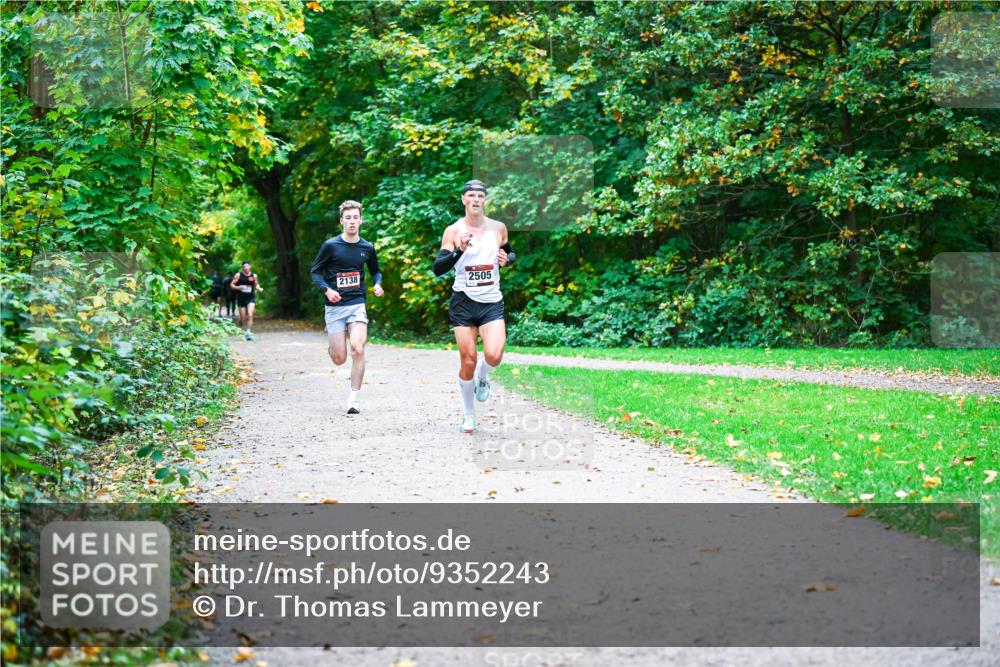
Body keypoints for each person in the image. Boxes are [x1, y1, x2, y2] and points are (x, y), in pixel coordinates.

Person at [433, 179, 516, 433]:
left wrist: (507, 259)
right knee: (467, 360)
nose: (476, 199)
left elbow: (510, 253)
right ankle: (469, 415)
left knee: (494, 355)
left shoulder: (498, 228)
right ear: (464, 200)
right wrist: (459, 250)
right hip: (463, 302)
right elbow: (438, 268)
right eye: (471, 195)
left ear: (485, 200)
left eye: (481, 195)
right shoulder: (453, 231)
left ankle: (483, 376)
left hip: (491, 301)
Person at [310, 200, 384, 415]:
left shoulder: (367, 247)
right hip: (334, 307)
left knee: (358, 348)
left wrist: (377, 284)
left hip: (356, 304)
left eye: (355, 218)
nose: (352, 222)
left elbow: (375, 271)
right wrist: (327, 290)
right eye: (348, 218)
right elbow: (315, 271)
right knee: (339, 358)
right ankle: (334, 346)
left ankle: (353, 399)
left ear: (361, 220)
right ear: (341, 220)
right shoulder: (330, 246)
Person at [230, 261, 263, 341]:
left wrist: (259, 288)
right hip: (241, 298)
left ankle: (248, 332)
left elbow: (256, 284)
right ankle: (241, 320)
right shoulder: (238, 275)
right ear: (242, 267)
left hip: (250, 298)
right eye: (244, 266)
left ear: (250, 266)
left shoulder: (254, 275)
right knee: (243, 317)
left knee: (250, 314)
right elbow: (232, 285)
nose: (246, 268)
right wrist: (238, 287)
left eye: (247, 266)